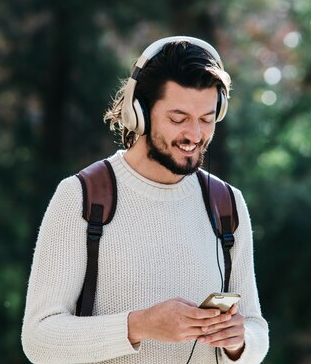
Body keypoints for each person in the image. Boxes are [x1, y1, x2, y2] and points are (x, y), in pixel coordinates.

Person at [21, 36, 269, 364]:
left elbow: (255, 328)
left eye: (207, 119)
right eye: (178, 119)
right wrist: (139, 326)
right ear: (139, 113)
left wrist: (240, 341)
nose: (195, 135)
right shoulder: (81, 196)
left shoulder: (227, 204)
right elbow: (39, 338)